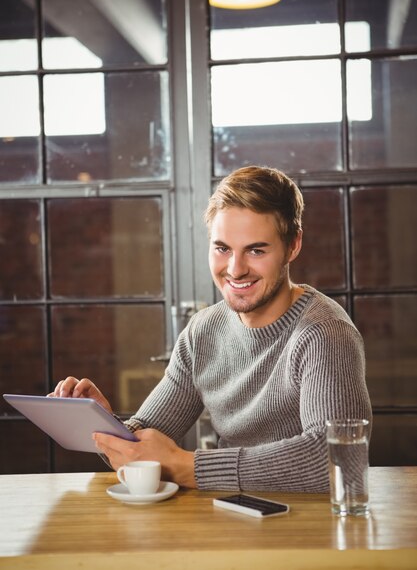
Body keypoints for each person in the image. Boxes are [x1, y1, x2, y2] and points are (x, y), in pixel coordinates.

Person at [50, 165, 372, 492]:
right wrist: (103, 425)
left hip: (306, 531)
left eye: (256, 250)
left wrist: (187, 467)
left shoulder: (324, 332)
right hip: (230, 518)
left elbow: (337, 459)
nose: (235, 269)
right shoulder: (202, 332)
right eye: (222, 248)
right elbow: (147, 446)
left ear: (293, 246)